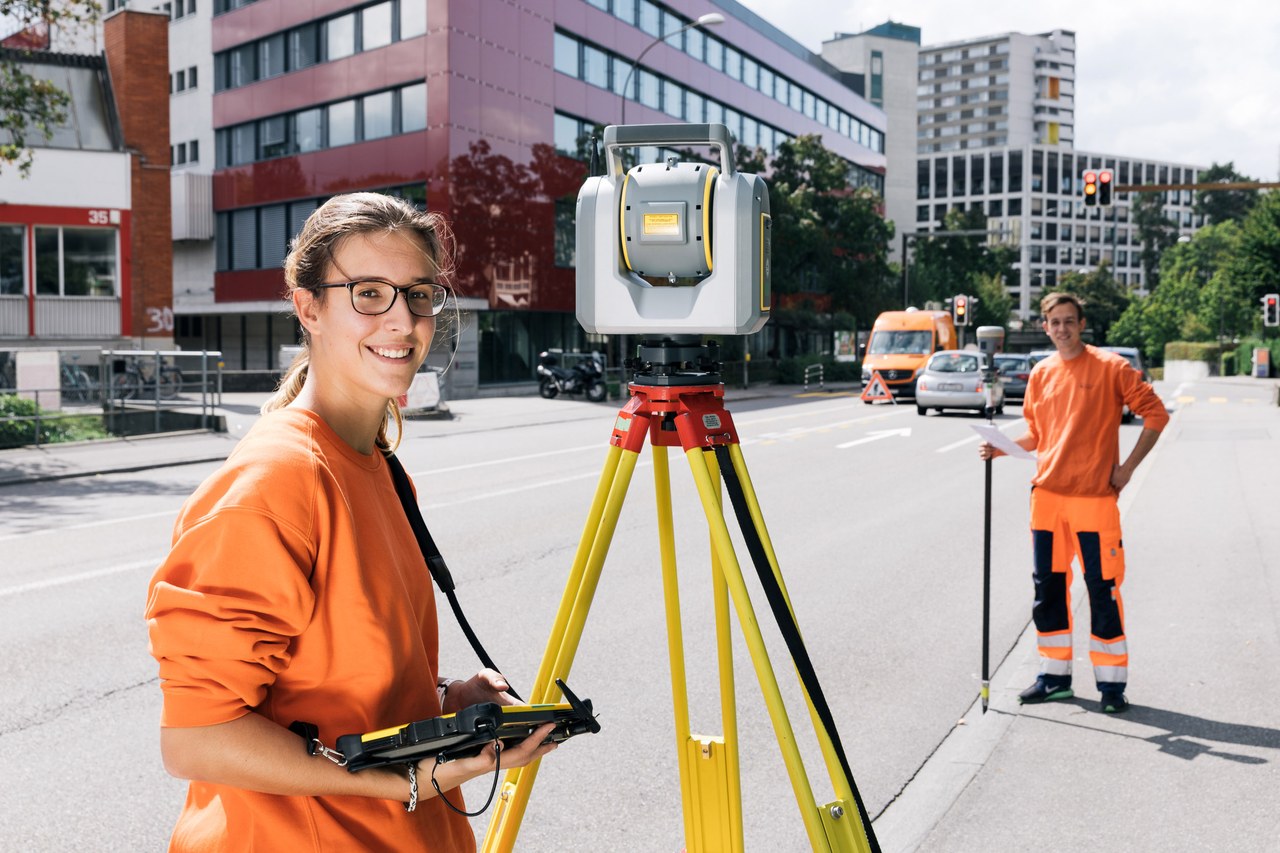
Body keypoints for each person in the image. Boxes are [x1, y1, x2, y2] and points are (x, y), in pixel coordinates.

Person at [145, 193, 557, 851]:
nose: (402, 320)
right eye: (369, 293)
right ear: (309, 306)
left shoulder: (379, 465)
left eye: (418, 294)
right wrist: (405, 780)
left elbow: (333, 682)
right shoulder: (273, 481)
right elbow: (197, 736)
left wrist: (442, 696)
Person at [979, 292, 1169, 714]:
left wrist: (1128, 469)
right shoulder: (1042, 373)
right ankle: (1054, 677)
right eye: (1054, 322)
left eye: (1069, 320)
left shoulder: (1112, 368)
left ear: (1082, 324)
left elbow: (1156, 416)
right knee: (1047, 591)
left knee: (1102, 591)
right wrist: (1002, 448)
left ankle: (1112, 685)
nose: (1062, 328)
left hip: (1093, 503)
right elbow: (1038, 436)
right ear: (1045, 327)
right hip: (1046, 502)